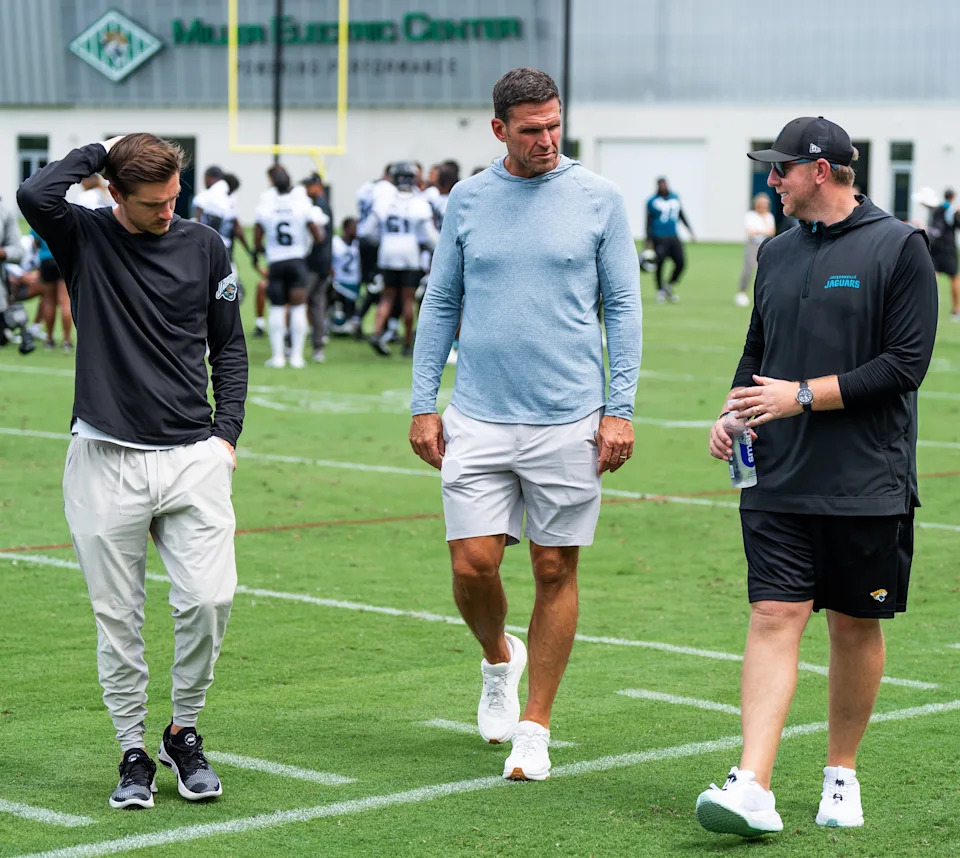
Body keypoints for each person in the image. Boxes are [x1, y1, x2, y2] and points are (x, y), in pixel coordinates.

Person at [696, 116, 937, 837]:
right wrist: (734, 411)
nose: (771, 180)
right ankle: (753, 784)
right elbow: (757, 352)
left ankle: (841, 774)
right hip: (777, 477)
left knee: (855, 626)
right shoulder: (775, 253)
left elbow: (904, 365)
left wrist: (800, 395)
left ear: (821, 171)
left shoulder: (900, 246)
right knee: (773, 616)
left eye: (781, 169)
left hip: (866, 479)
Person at [409, 67, 641, 782]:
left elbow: (623, 307)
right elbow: (441, 299)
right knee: (472, 565)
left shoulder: (599, 198)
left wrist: (620, 409)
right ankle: (497, 660)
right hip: (477, 413)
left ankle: (535, 728)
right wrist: (423, 401)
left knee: (552, 567)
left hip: (569, 417)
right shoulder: (468, 197)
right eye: (532, 129)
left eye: (554, 125)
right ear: (499, 129)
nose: (547, 140)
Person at [17, 133, 248, 809]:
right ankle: (132, 752)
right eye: (153, 202)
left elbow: (229, 346)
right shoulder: (84, 236)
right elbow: (34, 193)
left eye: (175, 197)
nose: (168, 211)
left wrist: (226, 435)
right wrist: (102, 148)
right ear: (114, 192)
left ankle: (183, 731)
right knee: (117, 618)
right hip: (103, 456)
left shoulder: (205, 245)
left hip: (193, 456)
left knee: (210, 600)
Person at [253, 164, 328, 368]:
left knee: (277, 308)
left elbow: (257, 238)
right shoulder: (301, 205)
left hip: (276, 261)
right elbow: (318, 235)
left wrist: (263, 250)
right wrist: (307, 243)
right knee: (298, 307)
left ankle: (278, 356)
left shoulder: (266, 205)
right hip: (297, 260)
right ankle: (296, 357)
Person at [365, 161, 438, 358]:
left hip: (388, 252)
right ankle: (407, 343)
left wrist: (382, 240)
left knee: (387, 296)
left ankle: (377, 332)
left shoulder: (384, 201)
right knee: (408, 299)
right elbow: (430, 236)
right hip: (409, 254)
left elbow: (368, 230)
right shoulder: (419, 203)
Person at [645, 176, 695, 303]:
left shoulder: (675, 198)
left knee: (681, 262)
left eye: (665, 184)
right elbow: (648, 221)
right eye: (661, 185)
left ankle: (669, 284)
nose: (664, 187)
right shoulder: (652, 201)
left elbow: (681, 214)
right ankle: (660, 290)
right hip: (659, 236)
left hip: (673, 235)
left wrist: (689, 230)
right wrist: (648, 240)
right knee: (660, 264)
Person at [302, 173, 334, 362]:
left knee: (302, 301)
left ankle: (292, 346)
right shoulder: (323, 203)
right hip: (323, 261)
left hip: (314, 262)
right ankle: (318, 346)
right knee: (317, 304)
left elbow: (319, 237)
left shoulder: (319, 205)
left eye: (309, 186)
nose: (306, 190)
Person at [925, 188, 960, 319]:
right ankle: (956, 310)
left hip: (935, 246)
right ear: (953, 196)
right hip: (948, 248)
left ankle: (927, 305)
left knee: (934, 275)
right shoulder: (952, 210)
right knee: (954, 277)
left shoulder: (937, 209)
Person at [736, 194, 776, 306]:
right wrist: (764, 231)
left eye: (765, 204)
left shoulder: (769, 216)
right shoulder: (750, 216)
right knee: (749, 268)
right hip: (753, 244)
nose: (763, 206)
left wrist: (761, 229)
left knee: (767, 270)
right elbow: (752, 232)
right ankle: (742, 292)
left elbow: (772, 232)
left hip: (766, 244)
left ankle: (764, 295)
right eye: (761, 204)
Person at [330, 216, 361, 334]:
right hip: (338, 282)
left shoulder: (357, 243)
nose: (356, 230)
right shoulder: (335, 242)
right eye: (354, 228)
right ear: (346, 228)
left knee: (352, 309)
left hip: (353, 281)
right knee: (336, 307)